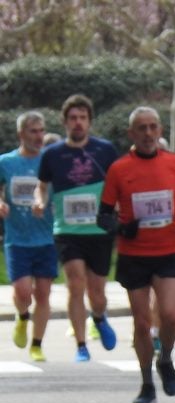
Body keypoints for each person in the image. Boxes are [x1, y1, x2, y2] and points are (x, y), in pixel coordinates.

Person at [98, 106, 175, 403]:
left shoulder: (174, 164)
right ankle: (146, 384)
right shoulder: (119, 169)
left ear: (160, 131)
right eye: (142, 128)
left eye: (153, 127)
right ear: (132, 134)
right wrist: (122, 228)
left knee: (169, 315)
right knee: (142, 324)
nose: (148, 133)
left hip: (168, 250)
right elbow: (103, 216)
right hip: (134, 255)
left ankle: (165, 358)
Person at [33, 94, 119, 361]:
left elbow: (118, 183)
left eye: (82, 118)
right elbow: (42, 186)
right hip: (67, 230)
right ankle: (81, 345)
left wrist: (117, 208)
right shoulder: (52, 154)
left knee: (97, 291)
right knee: (75, 283)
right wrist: (39, 202)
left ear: (90, 122)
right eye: (73, 118)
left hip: (99, 230)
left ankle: (100, 316)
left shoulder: (105, 150)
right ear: (65, 122)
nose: (78, 123)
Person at [0, 111, 56, 362]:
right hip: (17, 238)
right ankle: (22, 317)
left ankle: (37, 344)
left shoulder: (50, 161)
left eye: (42, 131)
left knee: (43, 293)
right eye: (33, 131)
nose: (39, 136)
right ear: (21, 134)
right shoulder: (6, 162)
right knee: (24, 292)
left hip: (47, 238)